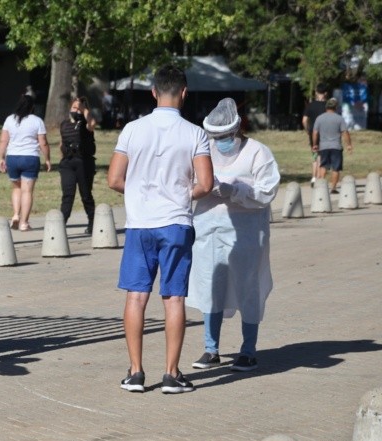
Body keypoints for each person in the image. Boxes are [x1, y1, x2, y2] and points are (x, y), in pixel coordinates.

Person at [107, 64, 213, 394]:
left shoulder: (132, 130)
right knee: (174, 298)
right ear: (184, 92)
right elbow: (206, 183)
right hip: (176, 222)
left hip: (140, 224)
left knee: (136, 296)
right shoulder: (195, 133)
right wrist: (180, 192)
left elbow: (113, 179)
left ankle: (136, 372)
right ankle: (171, 373)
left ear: (153, 92)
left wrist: (140, 192)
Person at [187, 98, 280, 373]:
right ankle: (210, 349)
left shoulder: (257, 153)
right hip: (208, 230)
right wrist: (205, 187)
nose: (221, 141)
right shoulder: (205, 152)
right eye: (216, 137)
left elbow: (266, 191)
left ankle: (248, 350)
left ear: (238, 129)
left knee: (247, 287)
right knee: (210, 285)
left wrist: (234, 191)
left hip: (247, 232)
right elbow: (189, 179)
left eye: (226, 136)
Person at [0, 95, 51, 231]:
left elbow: (3, 140)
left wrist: (1, 158)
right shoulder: (37, 121)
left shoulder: (10, 119)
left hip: (13, 158)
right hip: (30, 158)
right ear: (32, 107)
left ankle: (15, 215)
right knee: (27, 191)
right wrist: (47, 159)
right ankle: (24, 223)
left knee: (16, 188)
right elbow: (43, 142)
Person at [58, 96, 96, 234]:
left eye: (79, 109)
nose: (76, 111)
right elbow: (61, 143)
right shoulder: (64, 124)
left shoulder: (86, 124)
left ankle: (93, 221)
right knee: (67, 195)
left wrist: (84, 110)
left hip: (84, 162)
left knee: (86, 194)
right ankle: (60, 224)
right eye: (74, 108)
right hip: (68, 163)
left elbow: (92, 123)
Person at [312, 98, 353, 194]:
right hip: (336, 147)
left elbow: (315, 132)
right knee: (336, 168)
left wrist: (315, 144)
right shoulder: (339, 118)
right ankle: (333, 188)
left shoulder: (319, 118)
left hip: (323, 147)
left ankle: (320, 186)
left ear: (326, 107)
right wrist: (349, 145)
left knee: (323, 166)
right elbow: (345, 133)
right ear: (336, 107)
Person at [302, 83, 327, 186]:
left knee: (315, 155)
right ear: (326, 93)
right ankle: (319, 178)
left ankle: (313, 177)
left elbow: (304, 120)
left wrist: (307, 129)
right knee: (322, 156)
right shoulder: (327, 106)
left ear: (316, 92)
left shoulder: (310, 105)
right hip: (325, 134)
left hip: (313, 133)